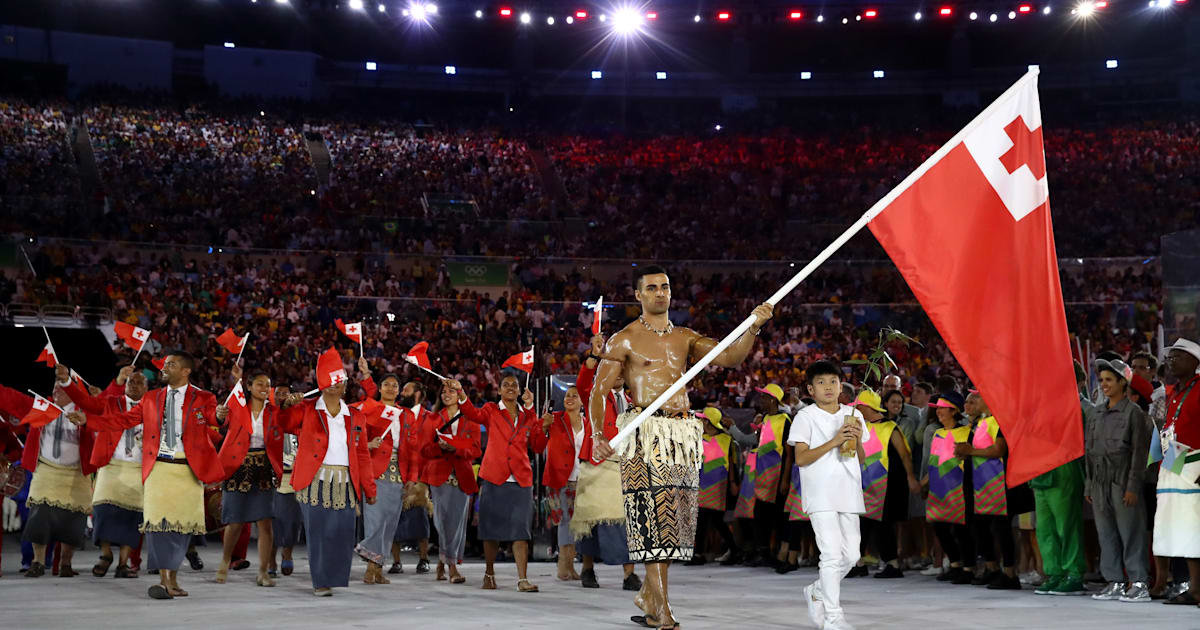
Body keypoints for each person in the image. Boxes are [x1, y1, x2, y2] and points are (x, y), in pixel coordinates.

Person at [590, 265, 773, 630]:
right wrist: (598, 433)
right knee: (652, 523)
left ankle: (649, 596)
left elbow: (729, 356)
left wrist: (754, 325)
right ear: (638, 295)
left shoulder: (685, 337)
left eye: (665, 287)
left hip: (682, 439)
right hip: (645, 435)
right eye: (652, 288)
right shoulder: (623, 340)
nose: (660, 293)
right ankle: (664, 611)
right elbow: (598, 391)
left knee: (673, 528)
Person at [65, 350, 225, 600]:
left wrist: (220, 416)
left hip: (188, 471)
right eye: (165, 363)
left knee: (183, 527)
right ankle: (162, 582)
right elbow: (123, 420)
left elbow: (213, 417)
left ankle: (173, 579)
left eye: (170, 364)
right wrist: (89, 421)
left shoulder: (204, 397)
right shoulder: (150, 398)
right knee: (159, 525)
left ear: (185, 371)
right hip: (158, 468)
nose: (164, 367)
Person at [275, 349, 378, 596]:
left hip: (345, 483)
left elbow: (362, 454)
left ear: (344, 384)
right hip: (315, 480)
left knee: (342, 534)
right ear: (321, 384)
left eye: (339, 381)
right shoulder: (307, 409)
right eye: (330, 381)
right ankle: (321, 580)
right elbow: (286, 424)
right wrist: (286, 406)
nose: (335, 385)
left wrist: (369, 488)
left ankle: (336, 576)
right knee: (318, 533)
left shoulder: (355, 415)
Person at [787, 361, 867, 630]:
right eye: (821, 382)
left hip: (849, 490)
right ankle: (834, 618)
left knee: (852, 555)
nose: (829, 387)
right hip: (820, 493)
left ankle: (818, 590)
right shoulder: (805, 417)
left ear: (841, 385)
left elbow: (862, 457)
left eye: (833, 381)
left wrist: (854, 437)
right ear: (810, 389)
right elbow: (801, 458)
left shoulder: (853, 415)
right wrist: (834, 440)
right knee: (831, 555)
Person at [450, 374, 545, 592]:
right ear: (499, 391)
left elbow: (538, 446)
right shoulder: (492, 410)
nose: (511, 387)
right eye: (506, 385)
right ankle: (489, 574)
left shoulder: (528, 416)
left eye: (515, 385)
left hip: (521, 479)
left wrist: (543, 426)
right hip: (494, 476)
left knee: (521, 531)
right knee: (490, 529)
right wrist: (461, 393)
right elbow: (471, 413)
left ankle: (522, 579)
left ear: (521, 391)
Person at [1, 374, 96, 579]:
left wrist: (87, 423)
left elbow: (103, 428)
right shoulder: (42, 406)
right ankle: (37, 562)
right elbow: (12, 398)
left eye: (61, 388)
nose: (55, 390)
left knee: (73, 520)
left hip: (76, 473)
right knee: (39, 518)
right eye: (55, 386)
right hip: (47, 470)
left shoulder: (86, 412)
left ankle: (66, 564)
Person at [60, 364, 146, 579]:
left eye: (138, 382)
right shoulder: (111, 403)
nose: (133, 385)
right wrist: (67, 383)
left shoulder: (153, 408)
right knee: (102, 511)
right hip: (110, 466)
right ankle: (106, 554)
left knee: (132, 518)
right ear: (124, 385)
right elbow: (85, 402)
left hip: (138, 469)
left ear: (147, 387)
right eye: (130, 382)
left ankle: (123, 564)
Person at [574, 335, 642, 591]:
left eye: (623, 368)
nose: (620, 373)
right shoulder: (594, 394)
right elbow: (582, 381)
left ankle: (629, 574)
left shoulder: (637, 400)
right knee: (590, 518)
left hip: (627, 464)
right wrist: (594, 355)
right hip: (597, 463)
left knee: (628, 519)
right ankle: (587, 568)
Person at [1084, 357, 1153, 603]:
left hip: (1123, 480)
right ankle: (1115, 582)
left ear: (1123, 382)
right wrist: (1089, 484)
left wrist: (1133, 486)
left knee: (1131, 532)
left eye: (1109, 380)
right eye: (1102, 380)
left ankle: (1139, 582)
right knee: (1106, 533)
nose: (1104, 384)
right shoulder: (1095, 414)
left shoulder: (1134, 414)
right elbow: (1089, 452)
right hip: (1100, 481)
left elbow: (1139, 453)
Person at [214, 364, 286, 587]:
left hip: (264, 467)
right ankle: (225, 561)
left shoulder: (275, 411)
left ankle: (263, 572)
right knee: (235, 521)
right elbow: (219, 420)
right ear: (249, 386)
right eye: (259, 384)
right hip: (237, 467)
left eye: (268, 385)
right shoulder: (237, 407)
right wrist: (218, 414)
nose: (265, 388)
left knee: (265, 523)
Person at [954, 391, 1034, 590]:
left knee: (1002, 529)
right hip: (982, 484)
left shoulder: (1001, 422)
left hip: (1001, 485)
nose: (973, 401)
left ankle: (1010, 573)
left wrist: (970, 451)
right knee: (980, 527)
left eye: (977, 397)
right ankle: (992, 569)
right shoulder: (980, 423)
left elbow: (999, 450)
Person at [1032, 361, 1089, 597]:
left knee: (1067, 527)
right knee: (1044, 529)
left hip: (1064, 469)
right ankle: (1054, 573)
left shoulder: (1075, 406)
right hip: (1040, 473)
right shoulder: (1039, 405)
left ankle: (1074, 574)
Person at [1153, 339, 1200, 606]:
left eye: (1178, 356)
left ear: (1195, 362)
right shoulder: (1174, 393)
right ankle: (1189, 587)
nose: (1171, 360)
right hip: (1174, 460)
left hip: (1195, 460)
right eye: (1169, 357)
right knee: (1179, 526)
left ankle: (1196, 587)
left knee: (1195, 526)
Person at [853, 389, 920, 580]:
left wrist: (911, 477)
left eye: (858, 406)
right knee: (863, 523)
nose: (856, 409)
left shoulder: (890, 427)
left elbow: (904, 454)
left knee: (883, 524)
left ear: (866, 407)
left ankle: (892, 564)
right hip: (868, 483)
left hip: (889, 483)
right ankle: (858, 562)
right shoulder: (863, 427)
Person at [419, 381, 481, 584]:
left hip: (462, 477)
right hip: (439, 476)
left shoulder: (471, 419)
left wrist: (457, 449)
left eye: (451, 391)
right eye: (443, 391)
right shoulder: (433, 419)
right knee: (442, 522)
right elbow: (425, 450)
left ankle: (442, 562)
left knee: (457, 523)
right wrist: (441, 448)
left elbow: (476, 450)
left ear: (459, 394)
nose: (447, 394)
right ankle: (452, 566)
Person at [355, 371, 410, 586]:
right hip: (375, 471)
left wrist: (412, 479)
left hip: (398, 474)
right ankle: (370, 566)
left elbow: (411, 448)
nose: (390, 388)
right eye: (386, 384)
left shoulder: (405, 415)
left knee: (389, 524)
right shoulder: (371, 409)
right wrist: (367, 445)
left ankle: (378, 568)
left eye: (394, 385)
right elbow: (357, 436)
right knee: (375, 521)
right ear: (379, 388)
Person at [924, 392, 976, 586]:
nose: (938, 411)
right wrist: (924, 484)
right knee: (940, 526)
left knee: (962, 529)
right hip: (939, 488)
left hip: (959, 487)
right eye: (937, 408)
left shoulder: (966, 432)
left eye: (942, 408)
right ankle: (955, 564)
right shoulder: (938, 433)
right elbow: (933, 462)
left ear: (954, 410)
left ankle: (968, 567)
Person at [538, 386, 588, 582]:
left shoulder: (587, 423)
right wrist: (543, 426)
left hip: (581, 479)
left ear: (582, 401)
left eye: (575, 395)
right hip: (559, 479)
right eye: (567, 395)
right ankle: (563, 565)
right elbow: (537, 440)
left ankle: (570, 565)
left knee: (577, 525)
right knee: (565, 522)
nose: (570, 398)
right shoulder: (555, 419)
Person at [390, 380, 435, 576]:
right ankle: (396, 561)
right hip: (396, 472)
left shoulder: (430, 418)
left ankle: (424, 559)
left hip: (421, 475)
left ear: (417, 394)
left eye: (406, 390)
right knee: (394, 518)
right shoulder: (396, 413)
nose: (402, 392)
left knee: (420, 519)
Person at [747, 384, 791, 568]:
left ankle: (778, 554)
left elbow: (789, 453)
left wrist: (785, 479)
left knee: (777, 517)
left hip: (777, 475)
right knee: (759, 515)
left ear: (773, 399)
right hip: (762, 475)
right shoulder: (764, 418)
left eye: (764, 397)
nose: (761, 400)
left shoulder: (786, 420)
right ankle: (763, 552)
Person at [688, 407, 738, 566]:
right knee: (709, 519)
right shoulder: (699, 437)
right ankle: (733, 550)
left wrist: (733, 483)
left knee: (710, 519)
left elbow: (732, 463)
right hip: (701, 484)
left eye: (703, 419)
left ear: (708, 422)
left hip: (718, 487)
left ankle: (700, 554)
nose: (700, 421)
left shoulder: (727, 439)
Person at [269, 386, 302, 579]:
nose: (282, 397)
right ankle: (271, 558)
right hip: (275, 476)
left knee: (292, 521)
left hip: (296, 477)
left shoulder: (299, 418)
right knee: (273, 521)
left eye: (285, 393)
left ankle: (287, 553)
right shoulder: (269, 418)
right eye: (278, 394)